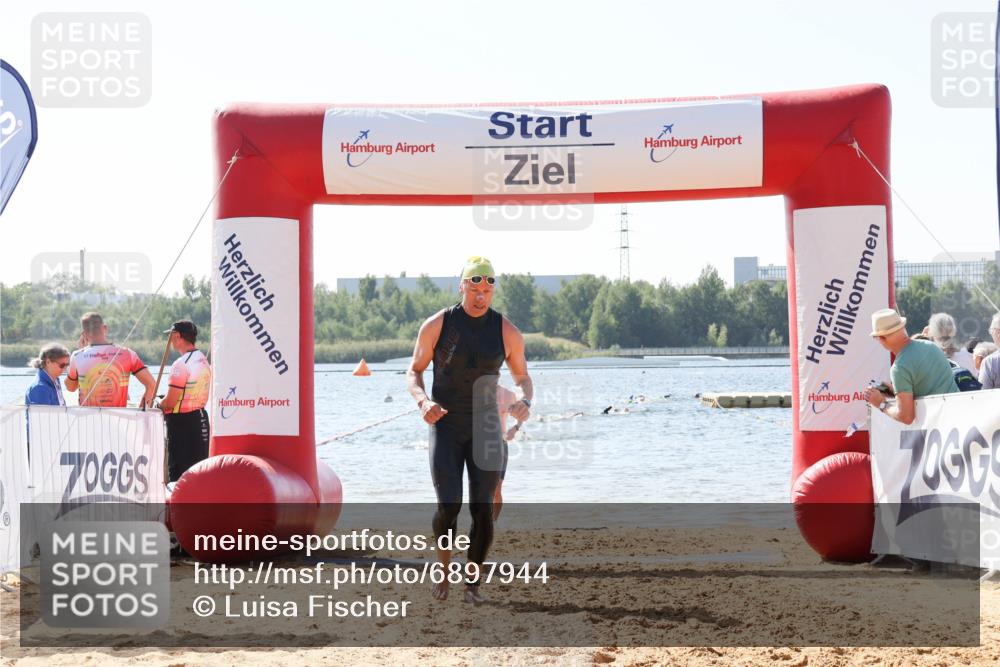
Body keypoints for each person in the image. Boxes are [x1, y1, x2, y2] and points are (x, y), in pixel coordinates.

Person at [407, 256, 533, 604]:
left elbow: (523, 378)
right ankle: (444, 573)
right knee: (448, 506)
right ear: (462, 286)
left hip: (487, 427)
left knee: (482, 508)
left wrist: (524, 400)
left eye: (486, 290)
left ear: (493, 291)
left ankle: (472, 583)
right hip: (446, 425)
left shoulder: (506, 331)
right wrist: (422, 401)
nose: (480, 296)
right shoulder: (438, 324)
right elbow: (413, 371)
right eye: (474, 288)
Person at [863, 308, 958, 425]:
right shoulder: (931, 346)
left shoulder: (899, 367)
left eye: (876, 338)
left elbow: (906, 417)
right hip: (957, 418)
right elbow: (930, 387)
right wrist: (895, 392)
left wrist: (881, 404)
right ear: (902, 328)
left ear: (882, 338)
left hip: (939, 427)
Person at [156, 321, 212, 483]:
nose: (170, 340)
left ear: (177, 336)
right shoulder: (202, 359)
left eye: (171, 336)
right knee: (200, 471)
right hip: (200, 417)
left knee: (180, 474)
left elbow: (171, 402)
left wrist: (158, 405)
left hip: (182, 423)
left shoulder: (180, 364)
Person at [65, 312, 156, 408]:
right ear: (105, 328)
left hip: (89, 420)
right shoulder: (128, 354)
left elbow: (71, 388)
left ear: (84, 334)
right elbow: (152, 385)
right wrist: (142, 409)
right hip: (118, 419)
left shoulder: (77, 356)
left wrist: (81, 351)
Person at [979, 314, 1000, 390]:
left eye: (991, 330)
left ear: (998, 333)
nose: (991, 334)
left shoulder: (990, 362)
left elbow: (984, 396)